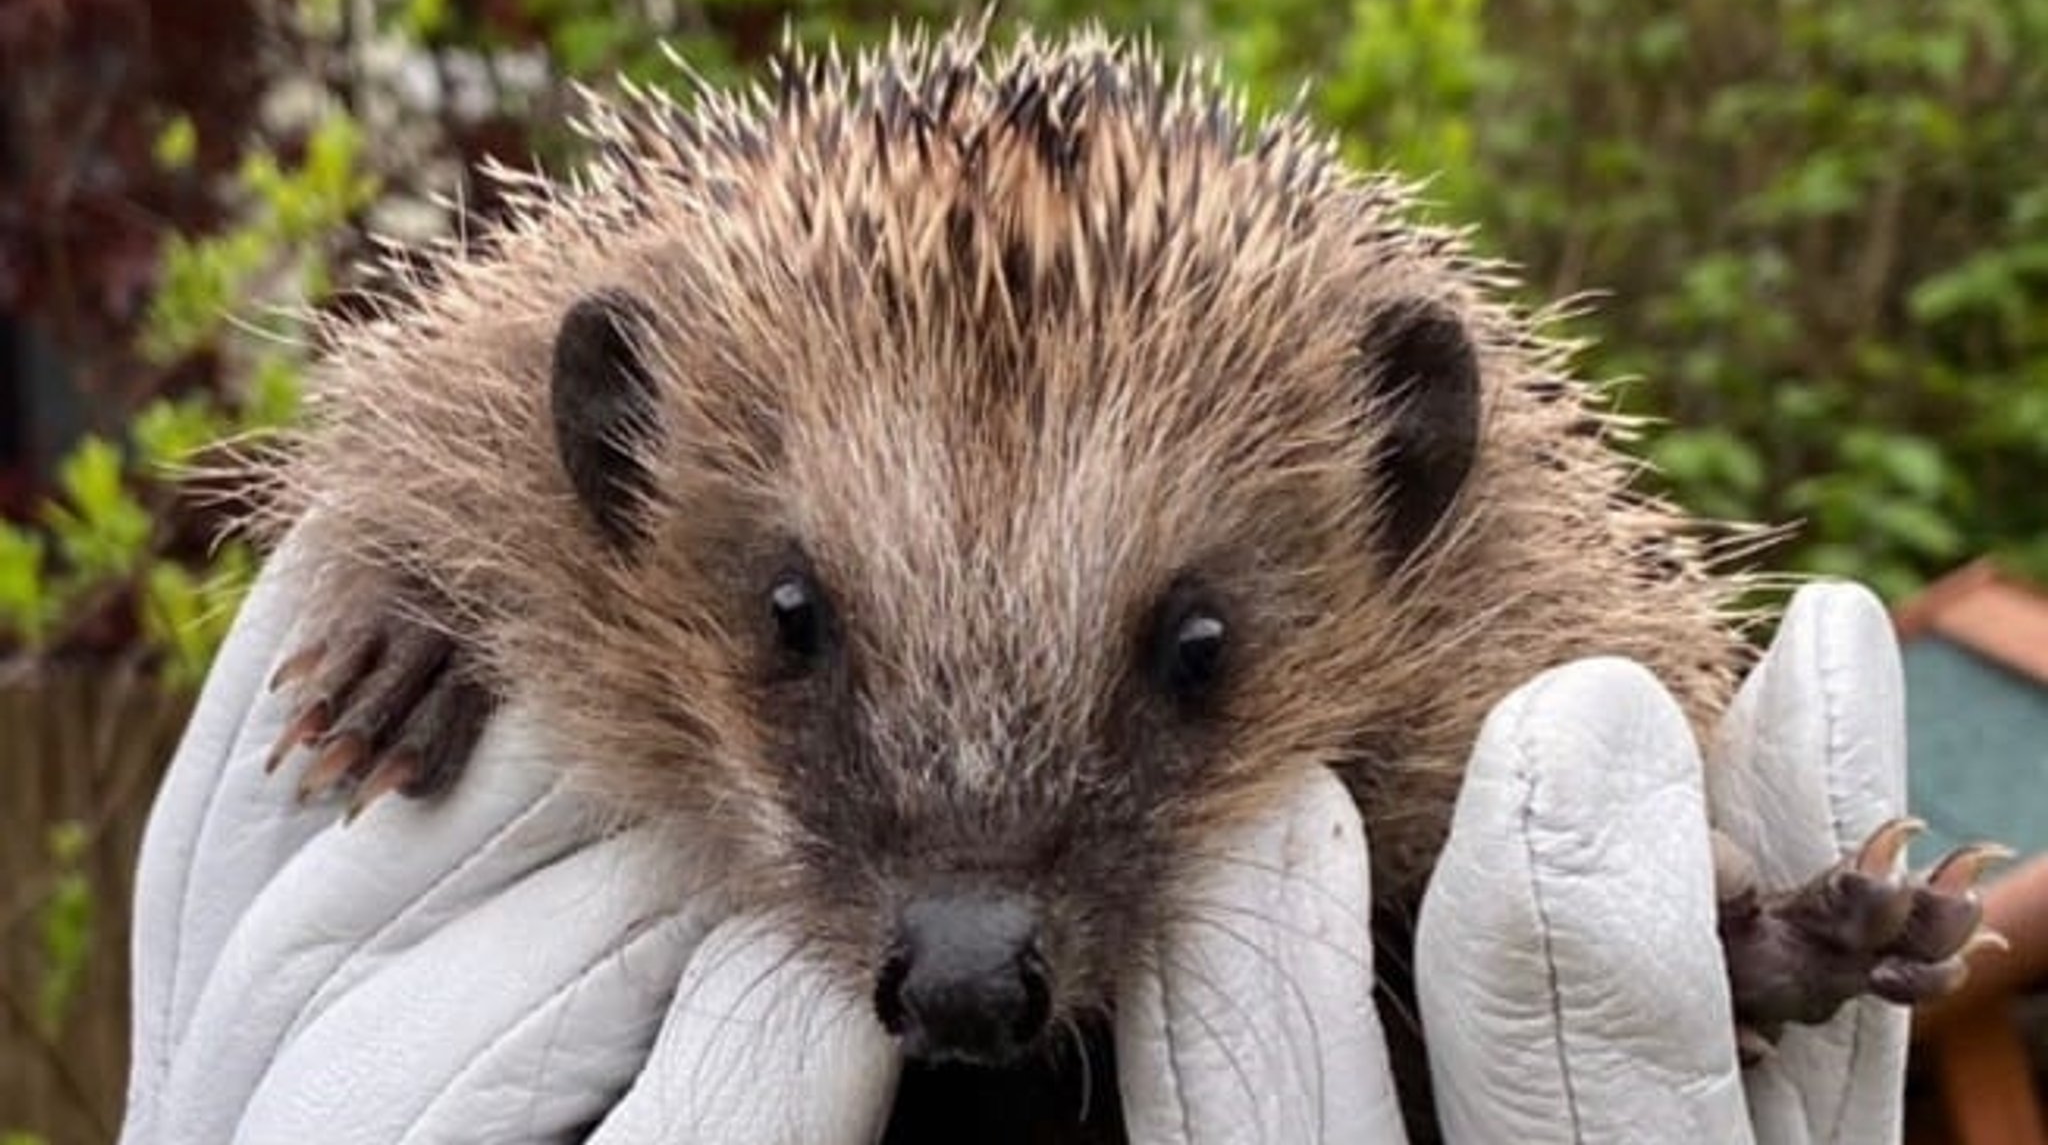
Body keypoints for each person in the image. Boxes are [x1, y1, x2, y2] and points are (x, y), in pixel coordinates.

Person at [117, 543, 1920, 1143]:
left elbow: (1547, 841)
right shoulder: (543, 464)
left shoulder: (1461, 618)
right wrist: (423, 593)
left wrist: (1715, 926)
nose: (971, 950)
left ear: (1404, 476)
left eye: (1192, 661)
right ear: (617, 441)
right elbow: (438, 465)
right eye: (805, 631)